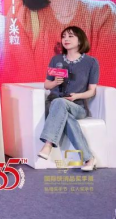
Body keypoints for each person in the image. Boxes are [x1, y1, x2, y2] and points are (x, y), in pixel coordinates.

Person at [38, 26, 98, 172]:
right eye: (64, 36)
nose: (66, 39)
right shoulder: (56, 60)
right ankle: (89, 158)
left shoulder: (91, 62)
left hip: (77, 106)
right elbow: (46, 85)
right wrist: (54, 83)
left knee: (62, 107)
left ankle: (48, 144)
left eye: (70, 36)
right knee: (61, 107)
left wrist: (77, 96)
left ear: (80, 40)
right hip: (54, 103)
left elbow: (92, 91)